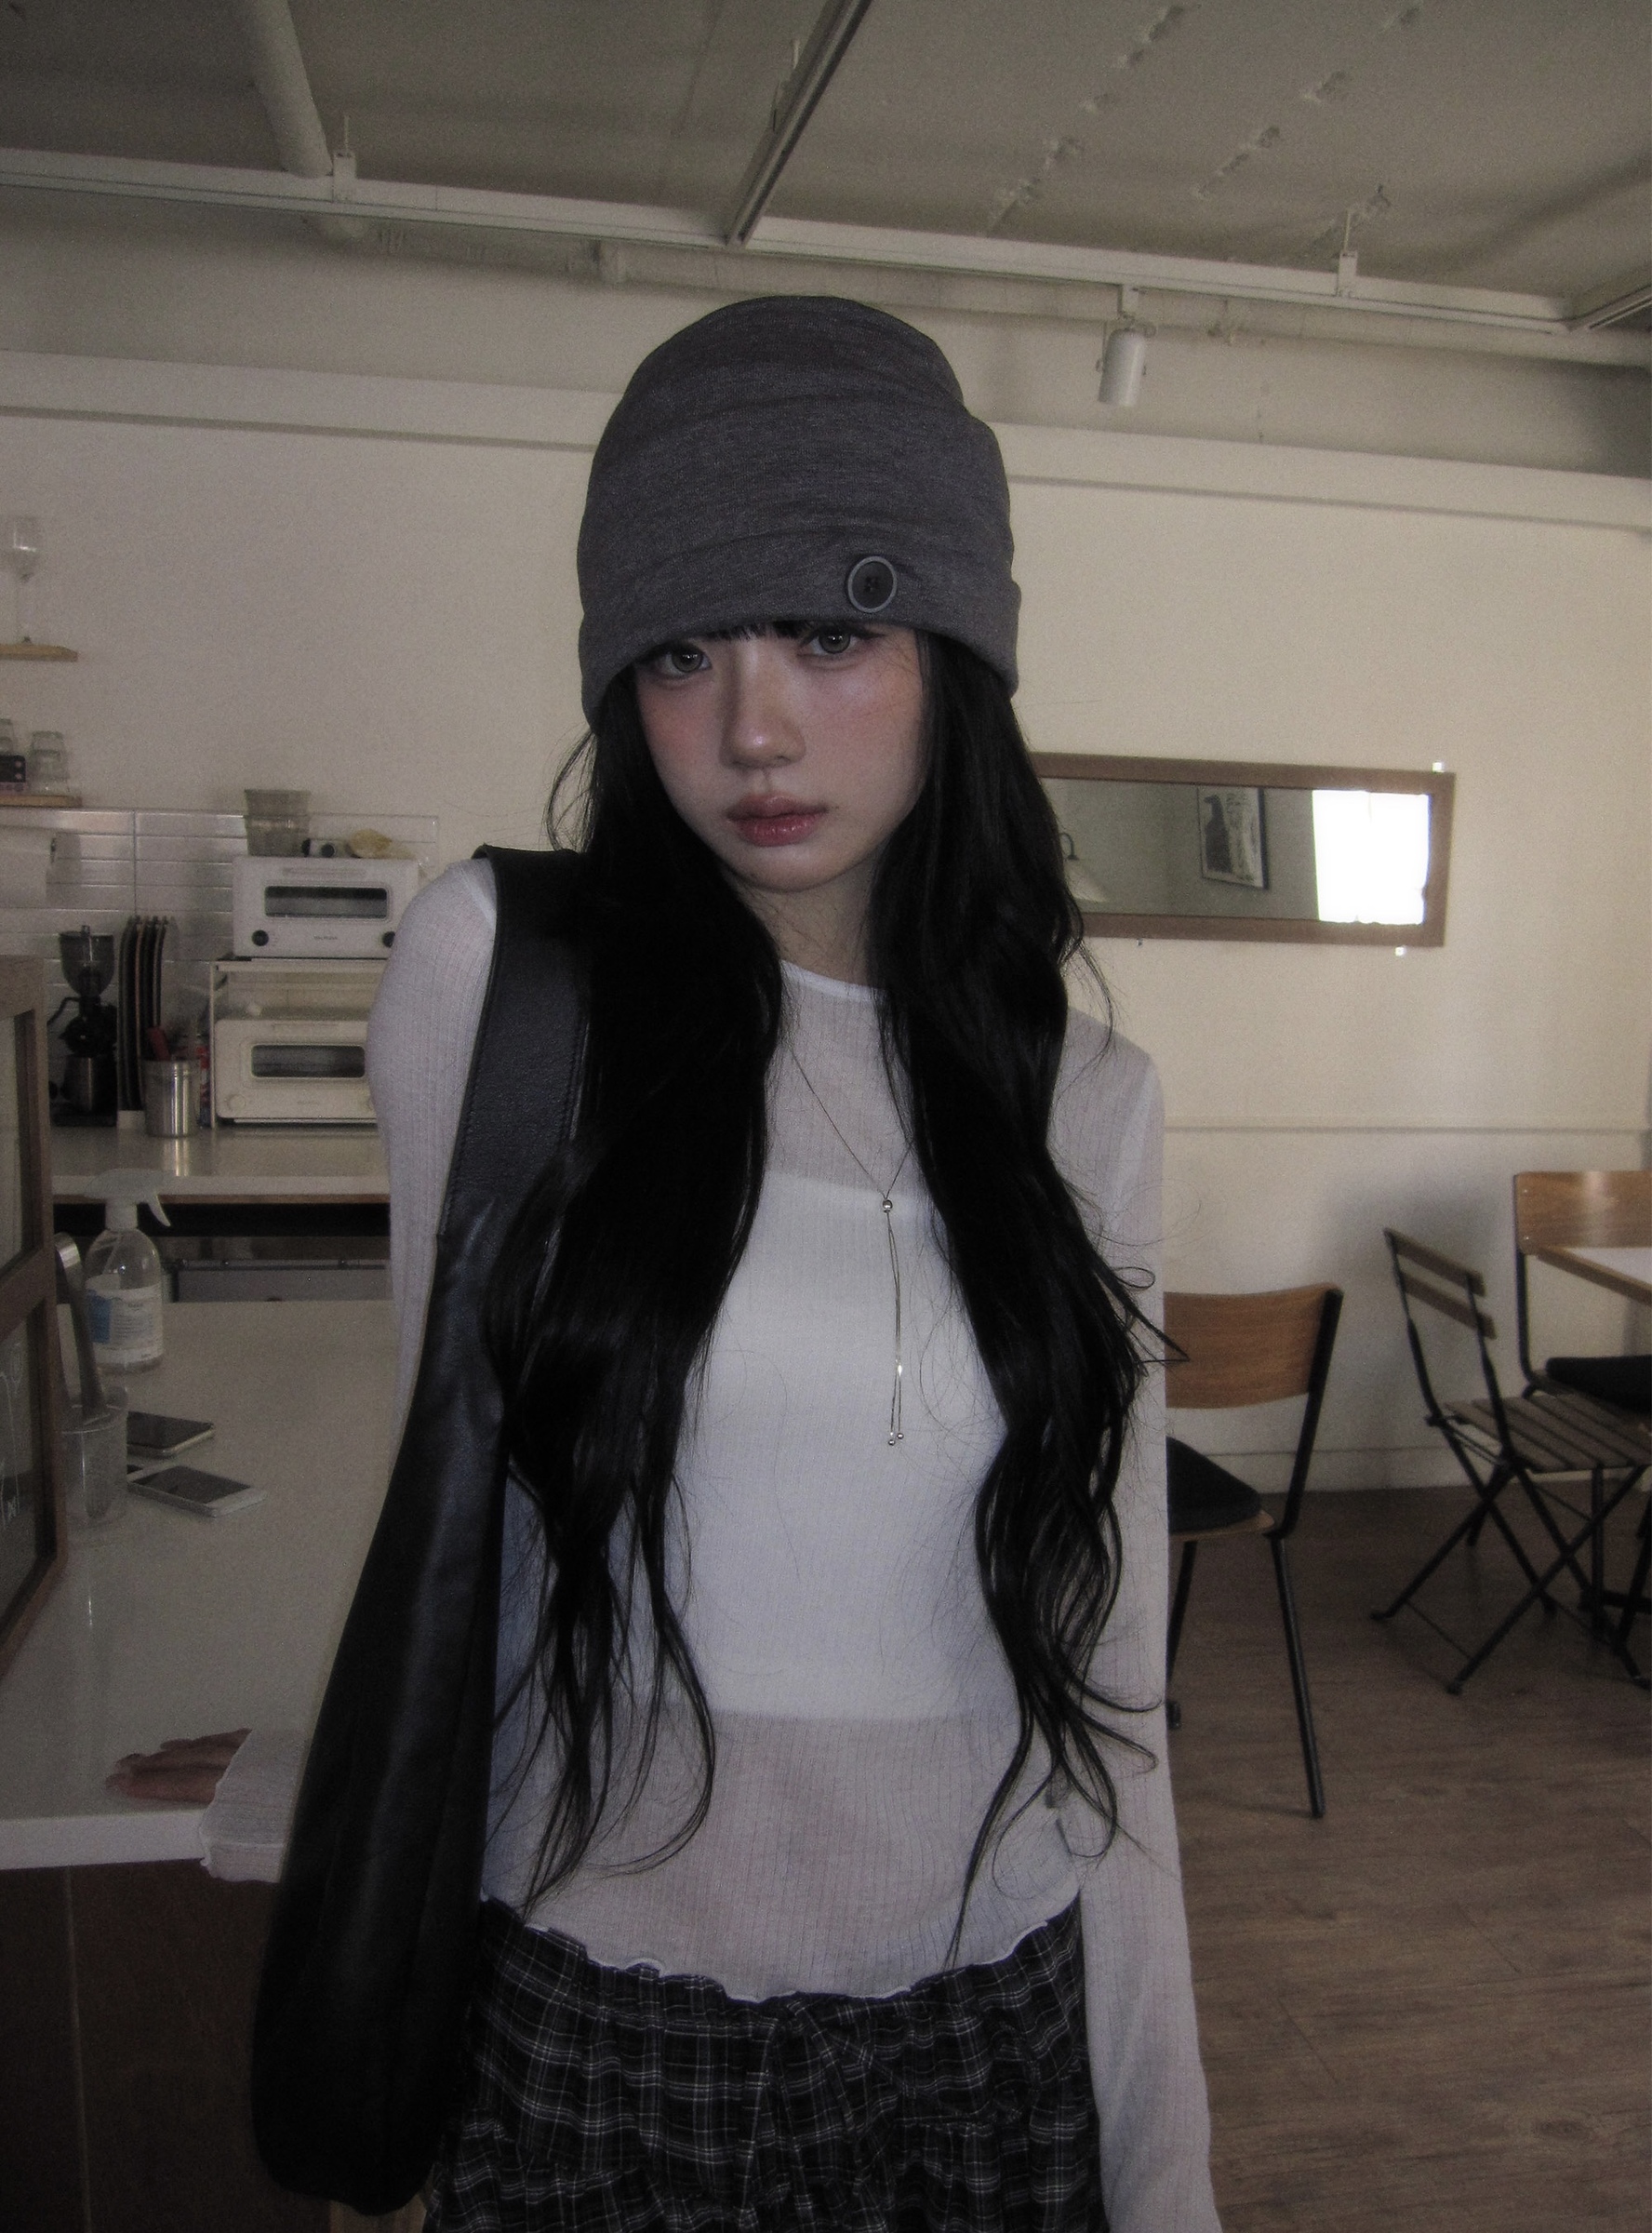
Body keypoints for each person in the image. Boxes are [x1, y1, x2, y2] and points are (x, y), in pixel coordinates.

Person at [362, 296, 1219, 2232]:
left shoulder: (1085, 1099)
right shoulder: (501, 990)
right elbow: (452, 1523)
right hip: (610, 2033)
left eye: (830, 633)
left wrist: (1169, 2176)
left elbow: (1110, 1691)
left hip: (986, 2035)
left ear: (954, 655)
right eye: (682, 651)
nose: (752, 727)